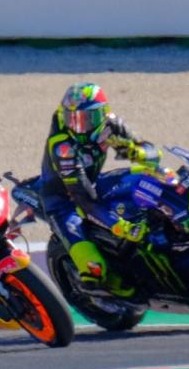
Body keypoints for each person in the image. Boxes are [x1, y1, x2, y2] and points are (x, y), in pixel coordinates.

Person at [39, 82, 160, 298]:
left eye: (87, 119)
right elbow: (82, 197)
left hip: (94, 182)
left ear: (103, 113)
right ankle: (97, 291)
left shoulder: (111, 125)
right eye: (72, 119)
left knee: (147, 176)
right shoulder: (63, 146)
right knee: (92, 270)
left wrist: (135, 152)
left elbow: (152, 154)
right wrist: (119, 226)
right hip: (62, 199)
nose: (79, 126)